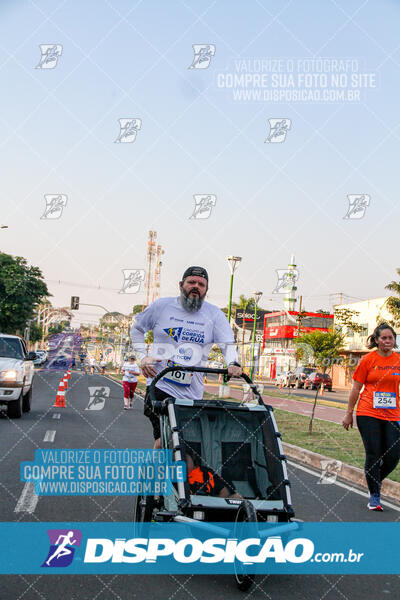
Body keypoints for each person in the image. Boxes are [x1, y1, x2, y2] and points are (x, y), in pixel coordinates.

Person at [131, 265, 242, 449]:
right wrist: (143, 357)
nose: (196, 286)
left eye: (201, 284)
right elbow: (136, 329)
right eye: (191, 282)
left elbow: (228, 344)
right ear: (181, 284)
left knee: (188, 450)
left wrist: (233, 363)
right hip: (160, 385)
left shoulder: (214, 315)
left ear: (206, 289)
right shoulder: (162, 306)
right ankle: (154, 475)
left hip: (192, 393)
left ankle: (171, 476)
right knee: (168, 438)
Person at [342, 323, 400, 511]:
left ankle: (374, 480)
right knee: (374, 453)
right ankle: (374, 496)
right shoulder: (367, 360)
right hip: (368, 412)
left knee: (393, 455)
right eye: (384, 338)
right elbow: (356, 389)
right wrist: (349, 413)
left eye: (391, 337)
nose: (388, 341)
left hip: (393, 413)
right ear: (376, 340)